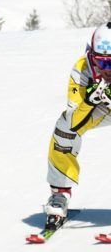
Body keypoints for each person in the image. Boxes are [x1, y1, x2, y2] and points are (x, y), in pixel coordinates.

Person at [45, 22, 111, 226]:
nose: (107, 70)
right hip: (100, 107)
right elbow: (73, 119)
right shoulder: (82, 68)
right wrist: (89, 101)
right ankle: (60, 193)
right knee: (64, 128)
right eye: (102, 63)